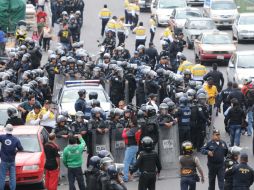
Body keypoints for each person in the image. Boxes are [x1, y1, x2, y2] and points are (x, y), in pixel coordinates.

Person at [0, 124, 23, 190]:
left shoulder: (2, 137)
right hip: (12, 161)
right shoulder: (16, 140)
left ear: (5, 130)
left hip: (4, 161)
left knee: (2, 177)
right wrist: (16, 151)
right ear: (12, 130)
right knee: (12, 177)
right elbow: (21, 148)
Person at [122, 118, 139, 182]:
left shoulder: (132, 130)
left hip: (131, 147)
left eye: (130, 122)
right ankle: (140, 173)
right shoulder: (136, 128)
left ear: (133, 123)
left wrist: (124, 130)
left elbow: (124, 135)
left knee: (126, 162)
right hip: (135, 146)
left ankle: (125, 177)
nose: (129, 123)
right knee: (133, 162)